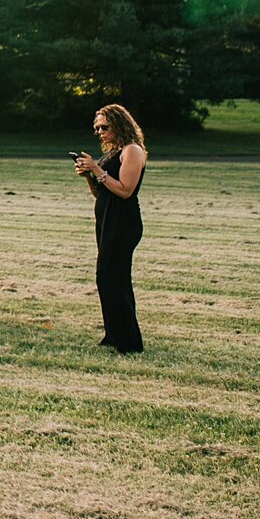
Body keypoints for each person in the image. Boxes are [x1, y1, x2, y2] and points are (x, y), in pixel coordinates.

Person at [73, 102, 148, 354]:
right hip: (106, 218)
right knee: (108, 277)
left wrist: (96, 168)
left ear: (119, 124)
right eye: (97, 128)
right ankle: (114, 333)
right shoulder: (114, 152)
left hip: (123, 221)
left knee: (111, 276)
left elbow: (125, 191)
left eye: (104, 126)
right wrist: (88, 176)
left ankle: (129, 341)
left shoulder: (132, 151)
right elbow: (101, 192)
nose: (100, 132)